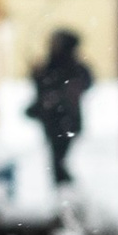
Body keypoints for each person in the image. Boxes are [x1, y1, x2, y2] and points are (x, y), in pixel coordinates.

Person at [27, 27, 91, 183]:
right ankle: (65, 193)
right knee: (57, 160)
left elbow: (81, 84)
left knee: (58, 161)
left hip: (64, 120)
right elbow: (43, 88)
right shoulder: (54, 65)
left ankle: (67, 192)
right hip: (54, 120)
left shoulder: (71, 67)